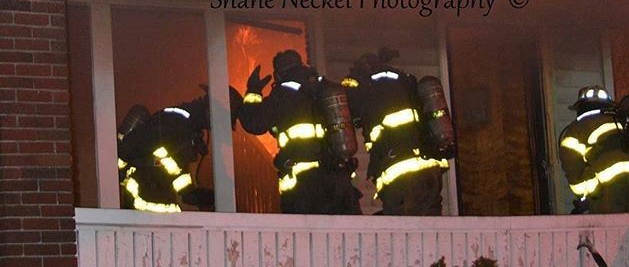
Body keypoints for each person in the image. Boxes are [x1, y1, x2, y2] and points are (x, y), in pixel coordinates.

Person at [238, 49, 361, 214]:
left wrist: (253, 91)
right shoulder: (325, 87)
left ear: (278, 74)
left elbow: (254, 123)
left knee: (306, 238)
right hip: (339, 180)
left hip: (306, 188)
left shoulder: (283, 94)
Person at [342, 48, 450, 215]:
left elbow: (348, 110)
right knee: (431, 225)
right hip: (431, 168)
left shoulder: (369, 86)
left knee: (403, 229)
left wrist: (351, 81)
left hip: (400, 171)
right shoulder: (406, 81)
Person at [117, 91, 215, 212]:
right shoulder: (176, 123)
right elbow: (138, 146)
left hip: (158, 206)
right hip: (146, 204)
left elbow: (177, 173)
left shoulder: (185, 127)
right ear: (209, 111)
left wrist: (198, 195)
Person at [559, 85, 629, 213]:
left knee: (613, 230)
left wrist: (590, 197)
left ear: (580, 107)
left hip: (609, 191)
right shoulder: (621, 120)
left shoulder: (575, 131)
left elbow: (577, 180)